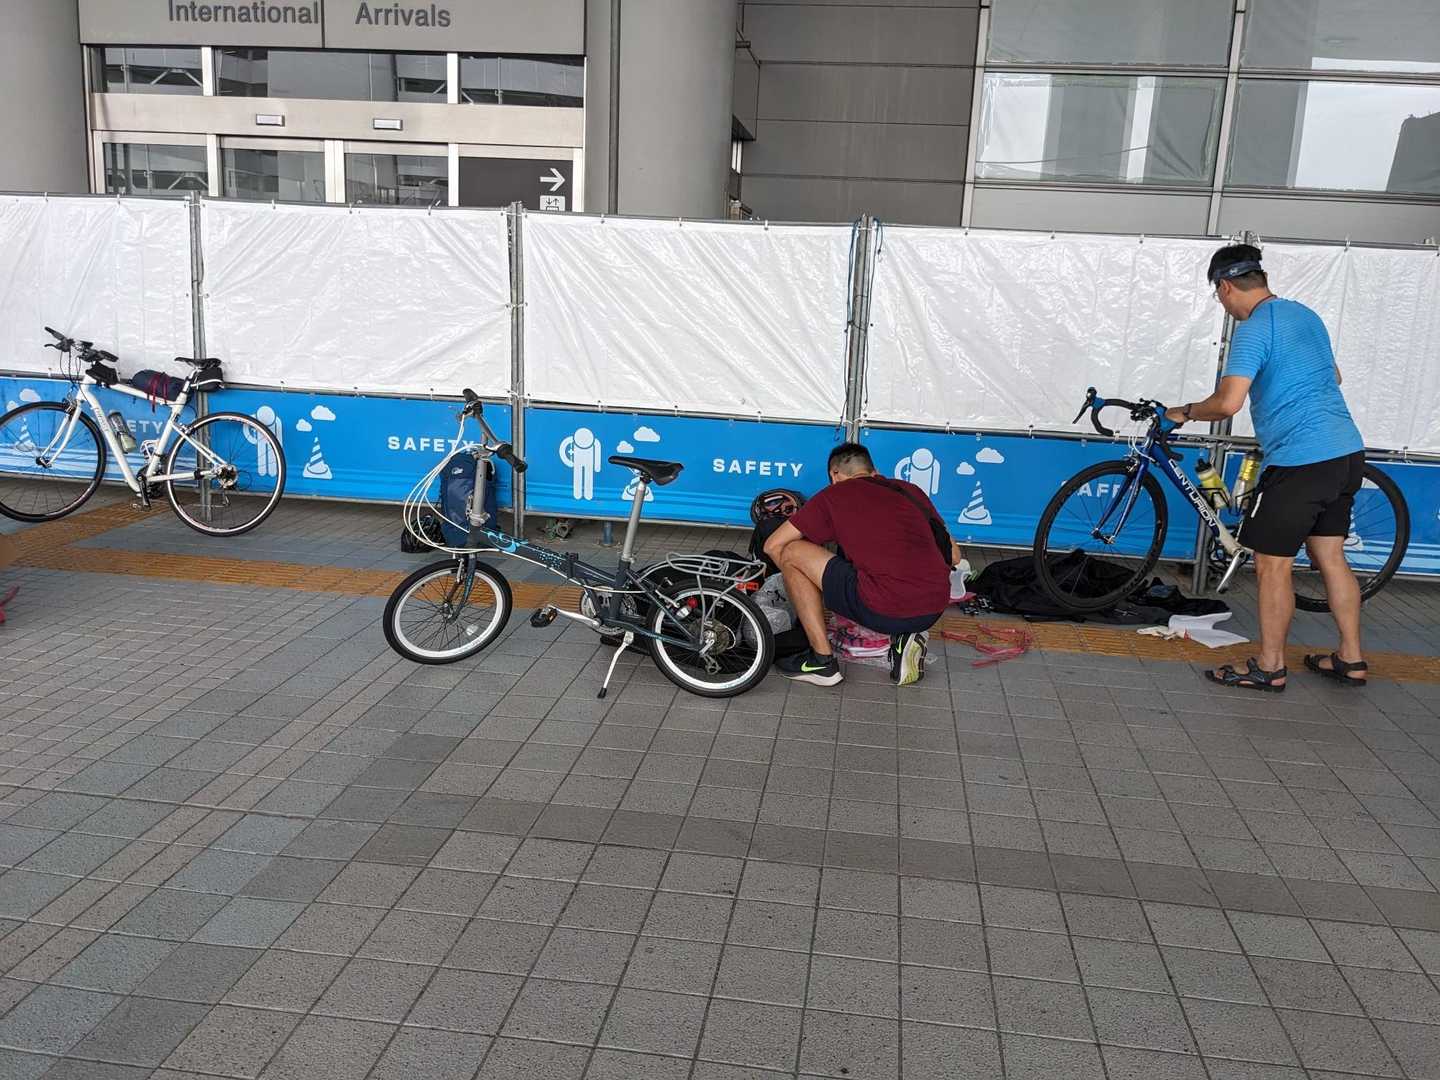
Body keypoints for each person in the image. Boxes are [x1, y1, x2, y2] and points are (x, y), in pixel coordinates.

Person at [1166, 244, 1368, 692]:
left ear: (1225, 286)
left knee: (1271, 565)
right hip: (1346, 453)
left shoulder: (1254, 329)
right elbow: (1334, 376)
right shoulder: (1305, 315)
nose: (1222, 303)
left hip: (1301, 461)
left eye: (1217, 295)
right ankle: (1351, 658)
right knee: (1331, 557)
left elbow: (1227, 404)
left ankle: (1270, 666)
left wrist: (1184, 411)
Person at [763, 442, 956, 687]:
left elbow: (773, 545)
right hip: (933, 607)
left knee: (792, 552)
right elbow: (954, 555)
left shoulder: (834, 494)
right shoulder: (910, 490)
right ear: (874, 471)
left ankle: (822, 663)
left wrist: (804, 588)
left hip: (884, 608)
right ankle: (902, 638)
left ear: (834, 474)